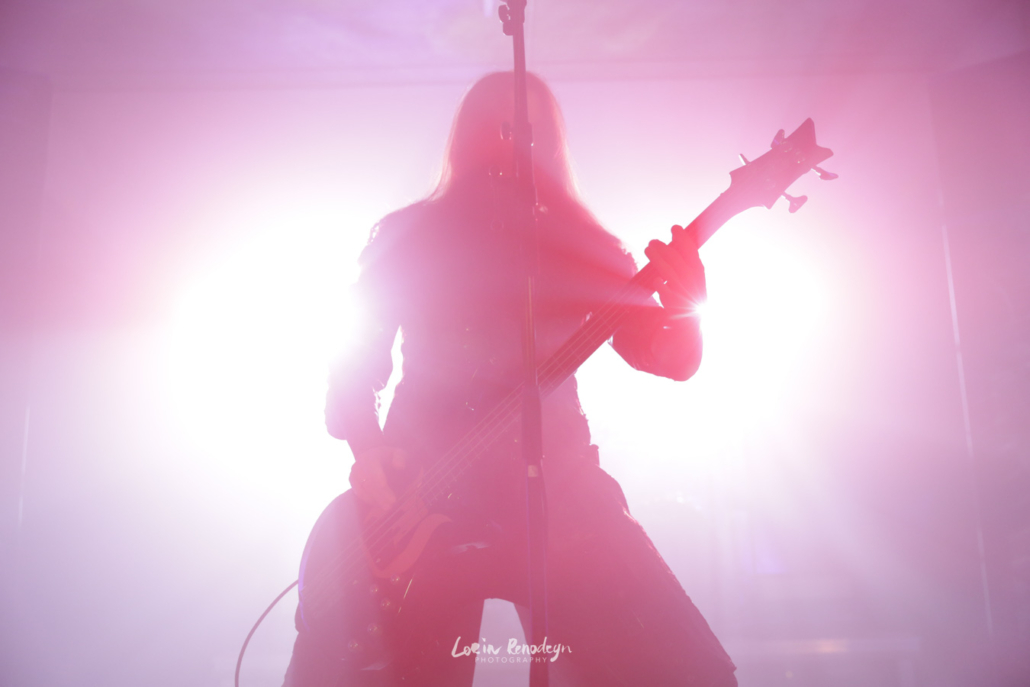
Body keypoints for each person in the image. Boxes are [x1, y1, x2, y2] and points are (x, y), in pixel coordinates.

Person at [284, 71, 737, 687]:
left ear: (547, 142)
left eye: (527, 129)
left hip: (557, 489)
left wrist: (690, 301)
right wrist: (369, 455)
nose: (510, 141)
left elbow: (667, 358)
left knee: (685, 674)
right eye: (494, 126)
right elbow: (352, 365)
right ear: (468, 138)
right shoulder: (411, 237)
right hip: (424, 493)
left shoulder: (583, 245)